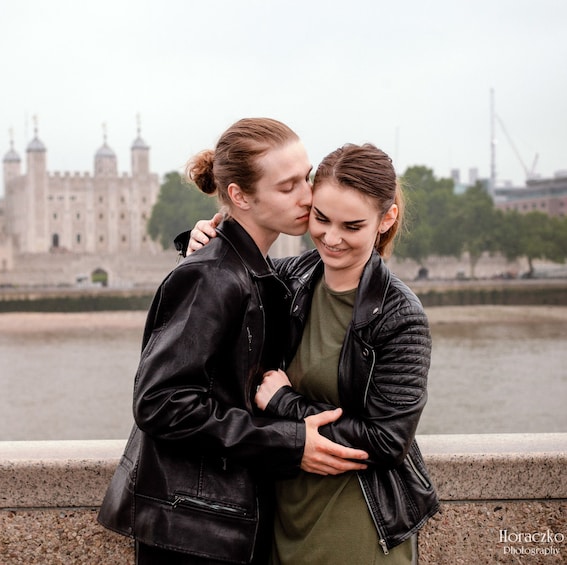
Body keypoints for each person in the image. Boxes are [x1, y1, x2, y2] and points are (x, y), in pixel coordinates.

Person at [97, 119, 370, 565]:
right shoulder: (212, 275)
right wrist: (286, 440)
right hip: (197, 532)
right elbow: (160, 403)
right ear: (241, 196)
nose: (307, 195)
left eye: (307, 177)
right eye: (287, 187)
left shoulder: (251, 269)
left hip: (226, 518)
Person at [187, 143, 440, 564]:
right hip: (279, 515)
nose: (331, 237)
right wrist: (202, 244)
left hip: (355, 525)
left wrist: (287, 403)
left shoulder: (400, 315)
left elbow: (387, 439)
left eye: (352, 226)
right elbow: (216, 315)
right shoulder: (291, 277)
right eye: (321, 219)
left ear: (386, 219)